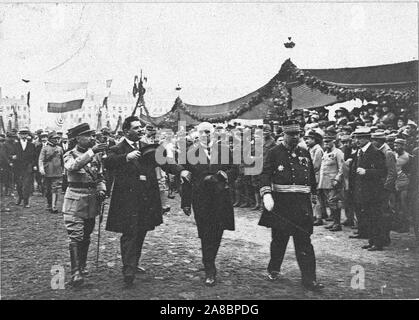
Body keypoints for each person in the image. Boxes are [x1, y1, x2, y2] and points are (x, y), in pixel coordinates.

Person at [104, 116, 183, 286]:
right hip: (127, 200)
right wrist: (126, 157)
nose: (140, 130)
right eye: (136, 128)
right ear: (126, 131)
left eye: (141, 127)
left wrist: (181, 171)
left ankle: (133, 263)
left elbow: (165, 164)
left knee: (141, 231)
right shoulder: (117, 148)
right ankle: (128, 269)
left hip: (146, 198)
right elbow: (108, 163)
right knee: (130, 232)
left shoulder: (147, 147)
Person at [259, 119, 324, 291]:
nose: (295, 137)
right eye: (291, 134)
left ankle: (309, 279)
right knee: (279, 241)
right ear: (283, 134)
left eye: (297, 134)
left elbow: (310, 176)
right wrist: (266, 194)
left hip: (302, 207)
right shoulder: (274, 152)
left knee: (304, 243)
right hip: (282, 205)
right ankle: (274, 268)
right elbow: (265, 174)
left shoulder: (304, 152)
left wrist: (314, 195)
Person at [179, 121, 238, 286]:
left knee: (218, 231)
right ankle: (209, 267)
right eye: (202, 132)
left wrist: (224, 175)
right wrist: (185, 202)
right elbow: (186, 179)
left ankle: (210, 258)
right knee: (205, 233)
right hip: (201, 199)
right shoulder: (191, 152)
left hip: (221, 198)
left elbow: (235, 169)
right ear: (197, 135)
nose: (205, 135)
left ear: (213, 133)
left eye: (208, 132)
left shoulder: (224, 150)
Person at [62, 123, 107, 286]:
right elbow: (73, 167)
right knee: (76, 235)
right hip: (74, 199)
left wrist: (102, 189)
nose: (91, 138)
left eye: (91, 135)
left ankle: (82, 265)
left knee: (86, 235)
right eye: (87, 135)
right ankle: (75, 273)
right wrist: (92, 151)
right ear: (77, 138)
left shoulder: (96, 156)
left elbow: (100, 176)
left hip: (91, 200)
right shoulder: (69, 154)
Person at [348, 127, 387, 251]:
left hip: (373, 191)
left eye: (361, 138)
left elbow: (383, 171)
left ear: (367, 138)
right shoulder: (359, 152)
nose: (357, 140)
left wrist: (367, 172)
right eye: (356, 138)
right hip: (361, 190)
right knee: (368, 216)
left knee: (375, 216)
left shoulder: (375, 152)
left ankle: (378, 242)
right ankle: (372, 241)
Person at [371, 131, 397, 246]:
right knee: (378, 213)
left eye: (374, 140)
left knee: (384, 213)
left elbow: (392, 173)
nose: (372, 142)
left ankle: (384, 238)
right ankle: (380, 237)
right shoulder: (379, 151)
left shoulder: (387, 152)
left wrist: (386, 188)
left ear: (379, 141)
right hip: (378, 187)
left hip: (384, 188)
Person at [318, 132, 345, 232]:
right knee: (329, 202)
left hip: (333, 181)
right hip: (325, 182)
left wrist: (337, 179)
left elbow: (342, 168)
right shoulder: (326, 152)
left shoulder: (338, 153)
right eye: (324, 142)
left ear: (333, 141)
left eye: (328, 142)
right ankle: (334, 221)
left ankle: (337, 223)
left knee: (334, 202)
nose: (326, 144)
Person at [38, 131, 64, 213]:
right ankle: (49, 204)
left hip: (57, 172)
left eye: (57, 138)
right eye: (54, 138)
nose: (56, 140)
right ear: (50, 139)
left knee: (55, 189)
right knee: (48, 190)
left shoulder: (59, 149)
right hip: (48, 172)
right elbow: (41, 159)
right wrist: (41, 168)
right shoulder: (45, 148)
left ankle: (54, 206)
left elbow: (62, 161)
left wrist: (63, 170)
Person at [304, 130, 325, 226]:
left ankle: (319, 217)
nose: (306, 141)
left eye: (308, 139)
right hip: (311, 175)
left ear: (314, 140)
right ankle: (314, 215)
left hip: (315, 176)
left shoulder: (318, 149)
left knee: (316, 197)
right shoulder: (311, 149)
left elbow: (316, 166)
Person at [13, 127, 37, 208]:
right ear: (19, 135)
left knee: (26, 184)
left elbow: (35, 157)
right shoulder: (15, 145)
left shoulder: (31, 145)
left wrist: (34, 165)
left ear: (27, 135)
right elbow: (10, 155)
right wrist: (12, 157)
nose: (24, 136)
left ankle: (26, 201)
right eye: (22, 134)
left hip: (28, 167)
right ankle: (20, 197)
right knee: (19, 184)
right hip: (17, 167)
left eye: (25, 134)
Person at [393, 138, 411, 233]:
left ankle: (405, 226)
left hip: (404, 183)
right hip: (396, 183)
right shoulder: (395, 155)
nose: (396, 147)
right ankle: (398, 224)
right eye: (395, 145)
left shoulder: (407, 157)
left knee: (404, 206)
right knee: (397, 205)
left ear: (403, 146)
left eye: (398, 145)